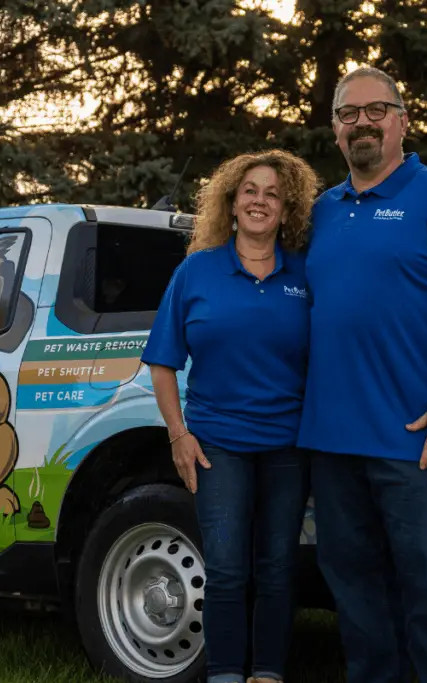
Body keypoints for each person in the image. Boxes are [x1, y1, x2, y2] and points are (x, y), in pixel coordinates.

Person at [296, 66, 427, 683]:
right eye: (348, 113)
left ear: (403, 120)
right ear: (335, 130)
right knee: (355, 597)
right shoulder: (322, 212)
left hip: (416, 441)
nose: (362, 122)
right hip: (331, 445)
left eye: (375, 109)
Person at [141, 149, 321, 683]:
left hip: (288, 444)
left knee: (277, 567)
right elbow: (162, 361)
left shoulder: (305, 276)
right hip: (217, 443)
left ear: (286, 210)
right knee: (223, 568)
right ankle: (223, 673)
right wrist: (179, 435)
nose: (259, 201)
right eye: (249, 191)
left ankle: (266, 673)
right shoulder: (197, 271)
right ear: (232, 203)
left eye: (272, 193)